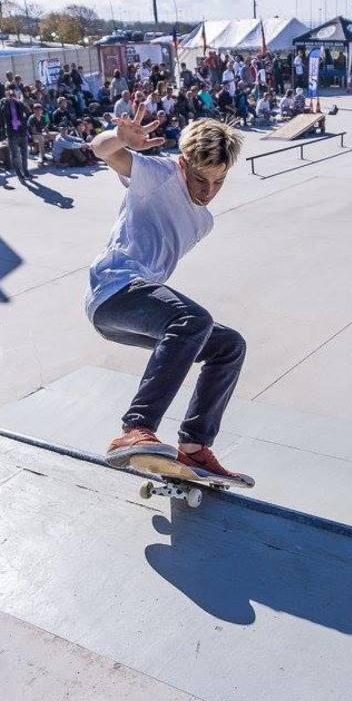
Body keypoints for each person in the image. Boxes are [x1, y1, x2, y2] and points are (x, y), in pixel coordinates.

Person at [87, 113, 252, 484]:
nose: (207, 191)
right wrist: (118, 137)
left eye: (218, 181)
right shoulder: (159, 175)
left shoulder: (203, 220)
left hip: (135, 313)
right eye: (199, 179)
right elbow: (101, 151)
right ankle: (136, 428)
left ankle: (194, 447)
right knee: (193, 320)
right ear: (183, 165)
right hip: (115, 290)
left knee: (228, 345)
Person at [0, 85, 31, 179]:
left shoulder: (19, 102)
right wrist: (8, 100)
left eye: (14, 90)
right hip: (12, 133)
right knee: (15, 155)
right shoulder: (3, 101)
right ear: (6, 92)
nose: (12, 92)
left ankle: (26, 172)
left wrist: (18, 100)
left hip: (22, 131)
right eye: (9, 91)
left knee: (25, 154)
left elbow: (27, 110)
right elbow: (3, 112)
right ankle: (19, 174)